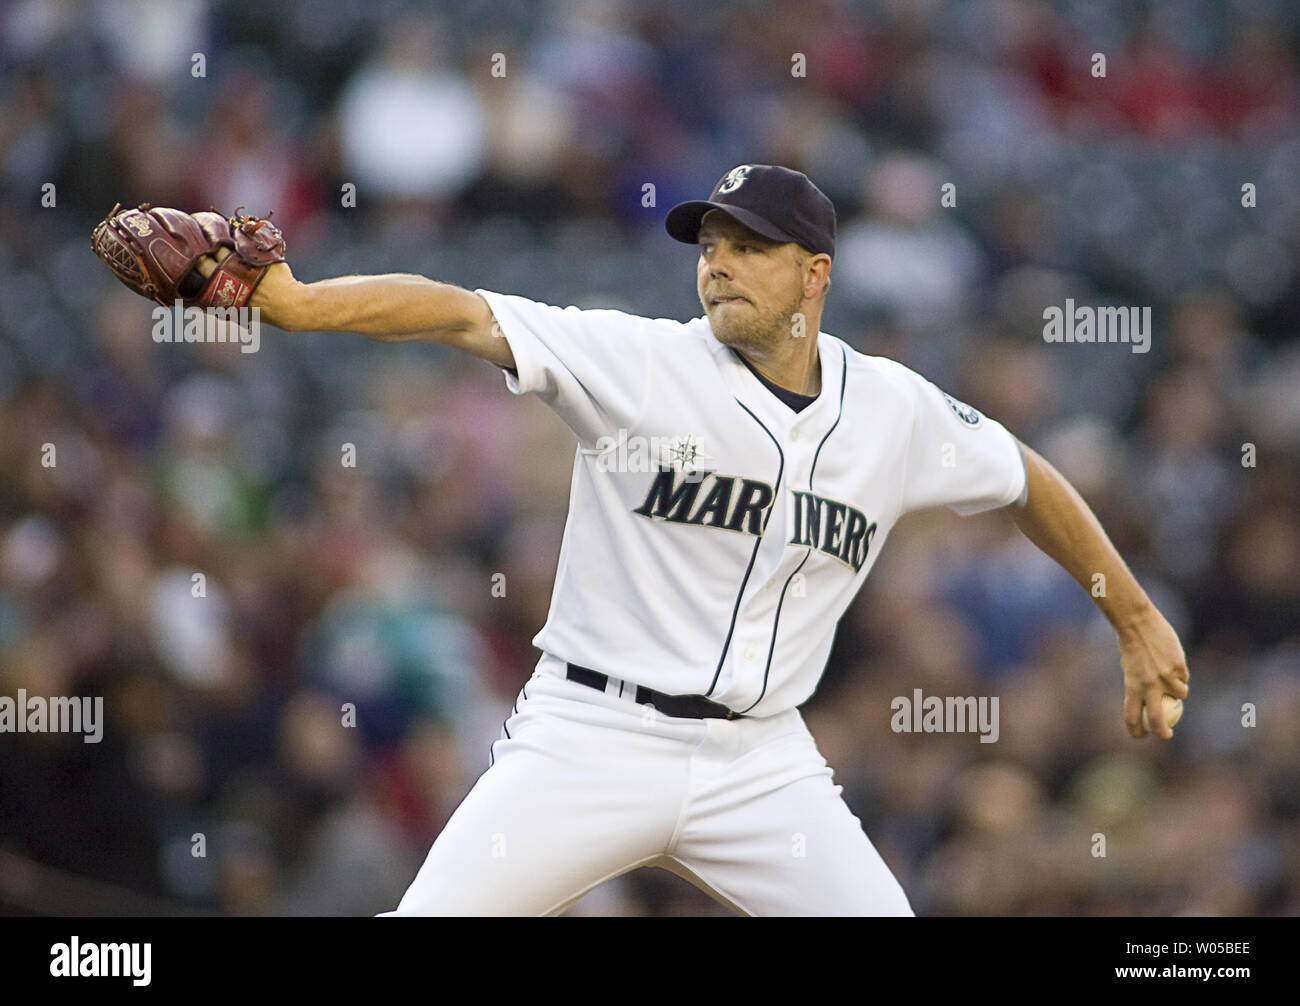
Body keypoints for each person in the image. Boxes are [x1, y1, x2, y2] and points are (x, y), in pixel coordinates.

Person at [204, 164, 1190, 916]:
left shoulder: (891, 407)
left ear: (815, 275)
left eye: (746, 245)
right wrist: (298, 302)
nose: (715, 261)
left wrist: (1133, 616)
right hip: (593, 735)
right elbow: (462, 314)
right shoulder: (640, 362)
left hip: (761, 761)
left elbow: (1025, 478)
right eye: (707, 241)